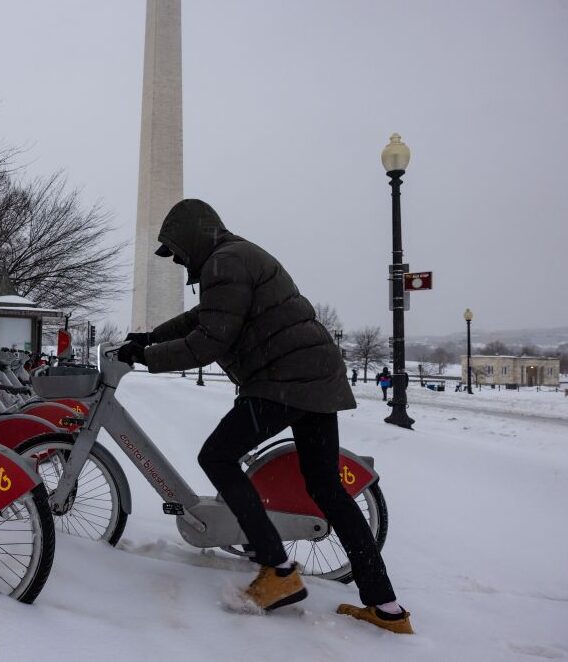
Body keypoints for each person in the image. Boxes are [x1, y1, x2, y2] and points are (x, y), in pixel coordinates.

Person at [118, 199, 411, 634]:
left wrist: (146, 356)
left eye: (177, 252)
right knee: (327, 489)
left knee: (217, 456)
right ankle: (387, 608)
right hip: (314, 376)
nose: (178, 262)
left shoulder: (224, 263)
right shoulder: (234, 257)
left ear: (193, 237)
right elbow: (202, 317)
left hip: (284, 379)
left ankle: (278, 570)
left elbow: (210, 340)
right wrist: (151, 337)